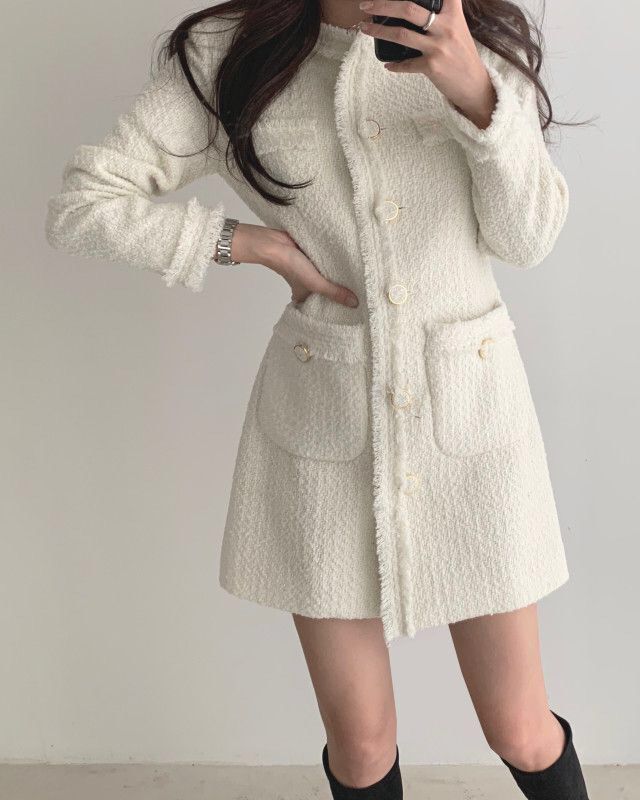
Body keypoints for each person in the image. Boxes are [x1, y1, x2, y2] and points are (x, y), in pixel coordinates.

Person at [44, 1, 588, 797]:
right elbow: (83, 205)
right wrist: (242, 243)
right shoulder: (232, 54)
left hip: (471, 430)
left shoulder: (474, 36)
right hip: (326, 436)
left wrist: (473, 89)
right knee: (361, 745)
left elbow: (528, 238)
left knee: (520, 729)